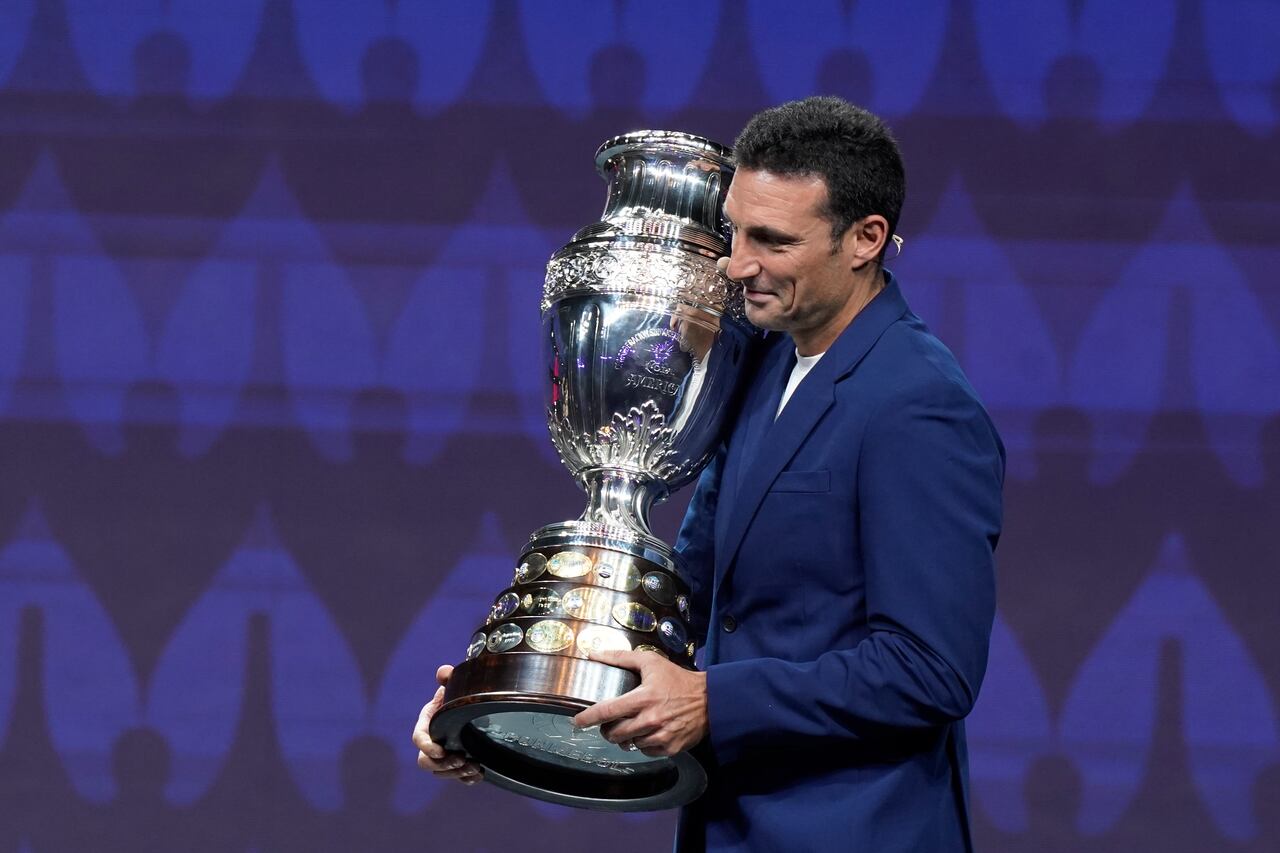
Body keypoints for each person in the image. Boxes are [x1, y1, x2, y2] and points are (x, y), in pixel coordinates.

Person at [414, 96, 1004, 852]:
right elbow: (689, 598)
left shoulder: (921, 406)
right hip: (727, 828)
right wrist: (505, 697)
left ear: (866, 239)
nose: (736, 264)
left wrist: (714, 701)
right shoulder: (762, 359)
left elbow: (929, 668)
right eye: (735, 229)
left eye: (772, 240)